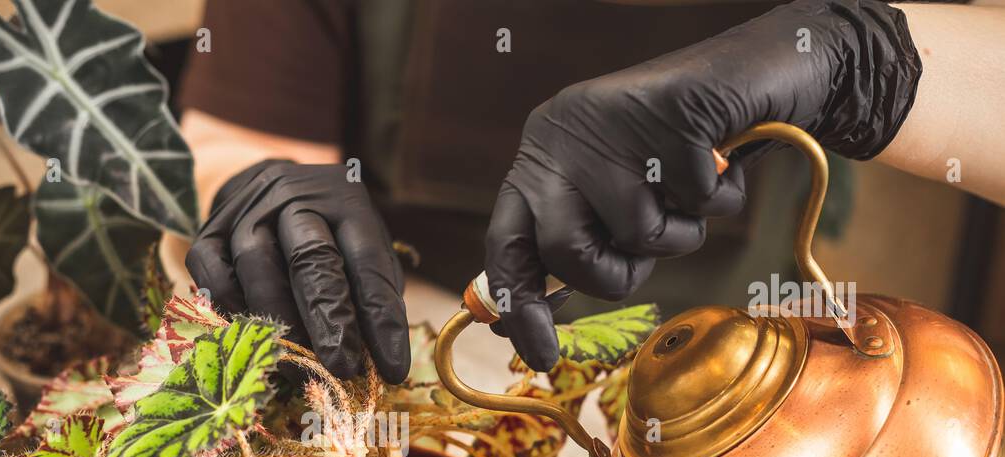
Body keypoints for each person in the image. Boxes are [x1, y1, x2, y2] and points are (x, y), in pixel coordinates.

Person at [179, 0, 1005, 380]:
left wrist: (859, 59)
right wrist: (261, 190)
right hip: (412, 357)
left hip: (723, 369)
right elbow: (245, 130)